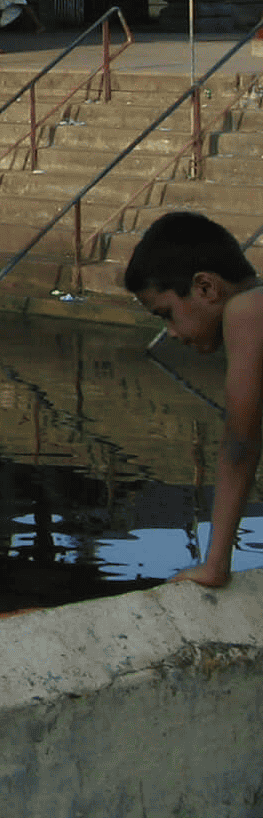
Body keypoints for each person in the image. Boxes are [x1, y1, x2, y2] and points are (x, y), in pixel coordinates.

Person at [127, 210, 263, 586]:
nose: (170, 332)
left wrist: (214, 566)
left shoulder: (248, 310)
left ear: (205, 287)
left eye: (167, 314)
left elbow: (240, 445)